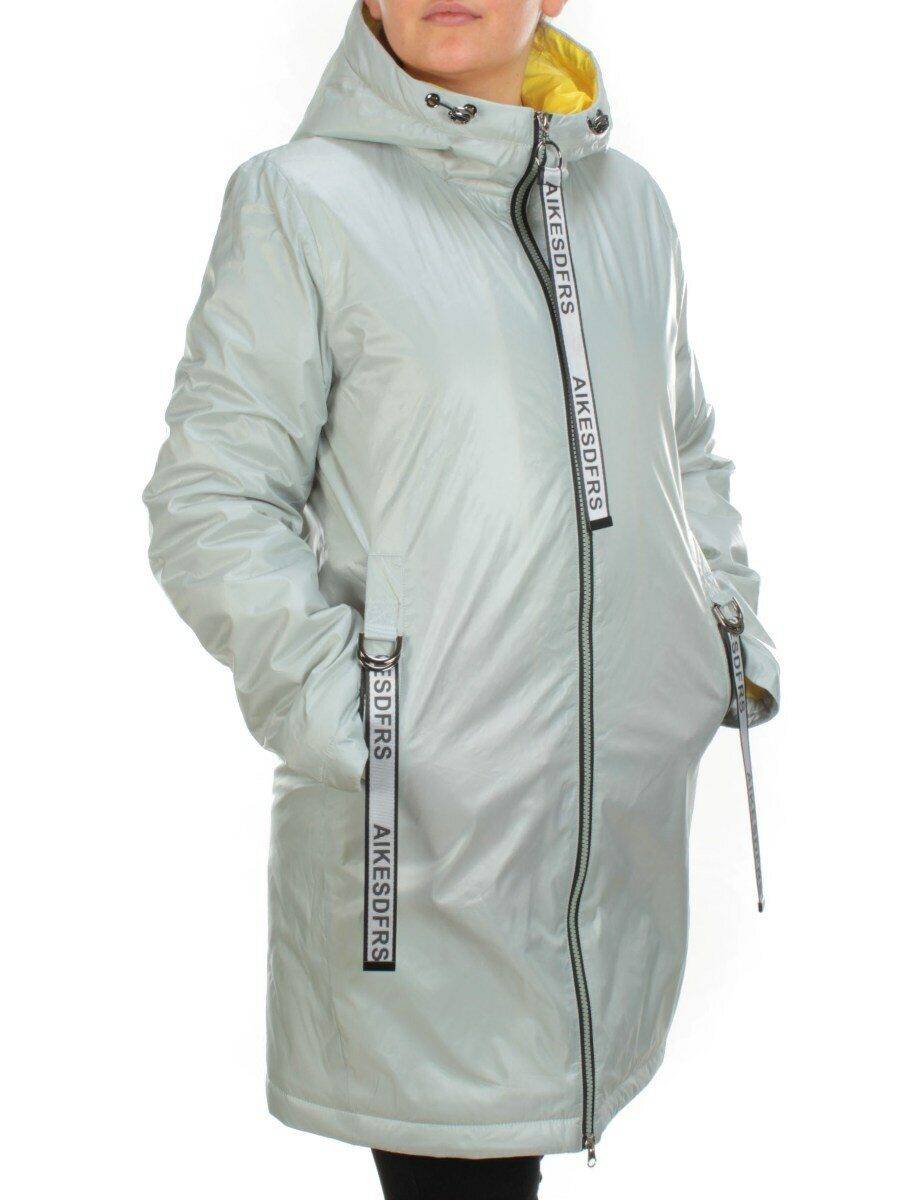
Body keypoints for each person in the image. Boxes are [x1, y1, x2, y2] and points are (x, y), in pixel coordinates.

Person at [143, 2, 780, 1196]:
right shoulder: (303, 201)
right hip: (427, 844)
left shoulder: (630, 207)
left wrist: (725, 639)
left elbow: (683, 449)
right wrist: (365, 731)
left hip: (620, 837)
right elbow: (211, 499)